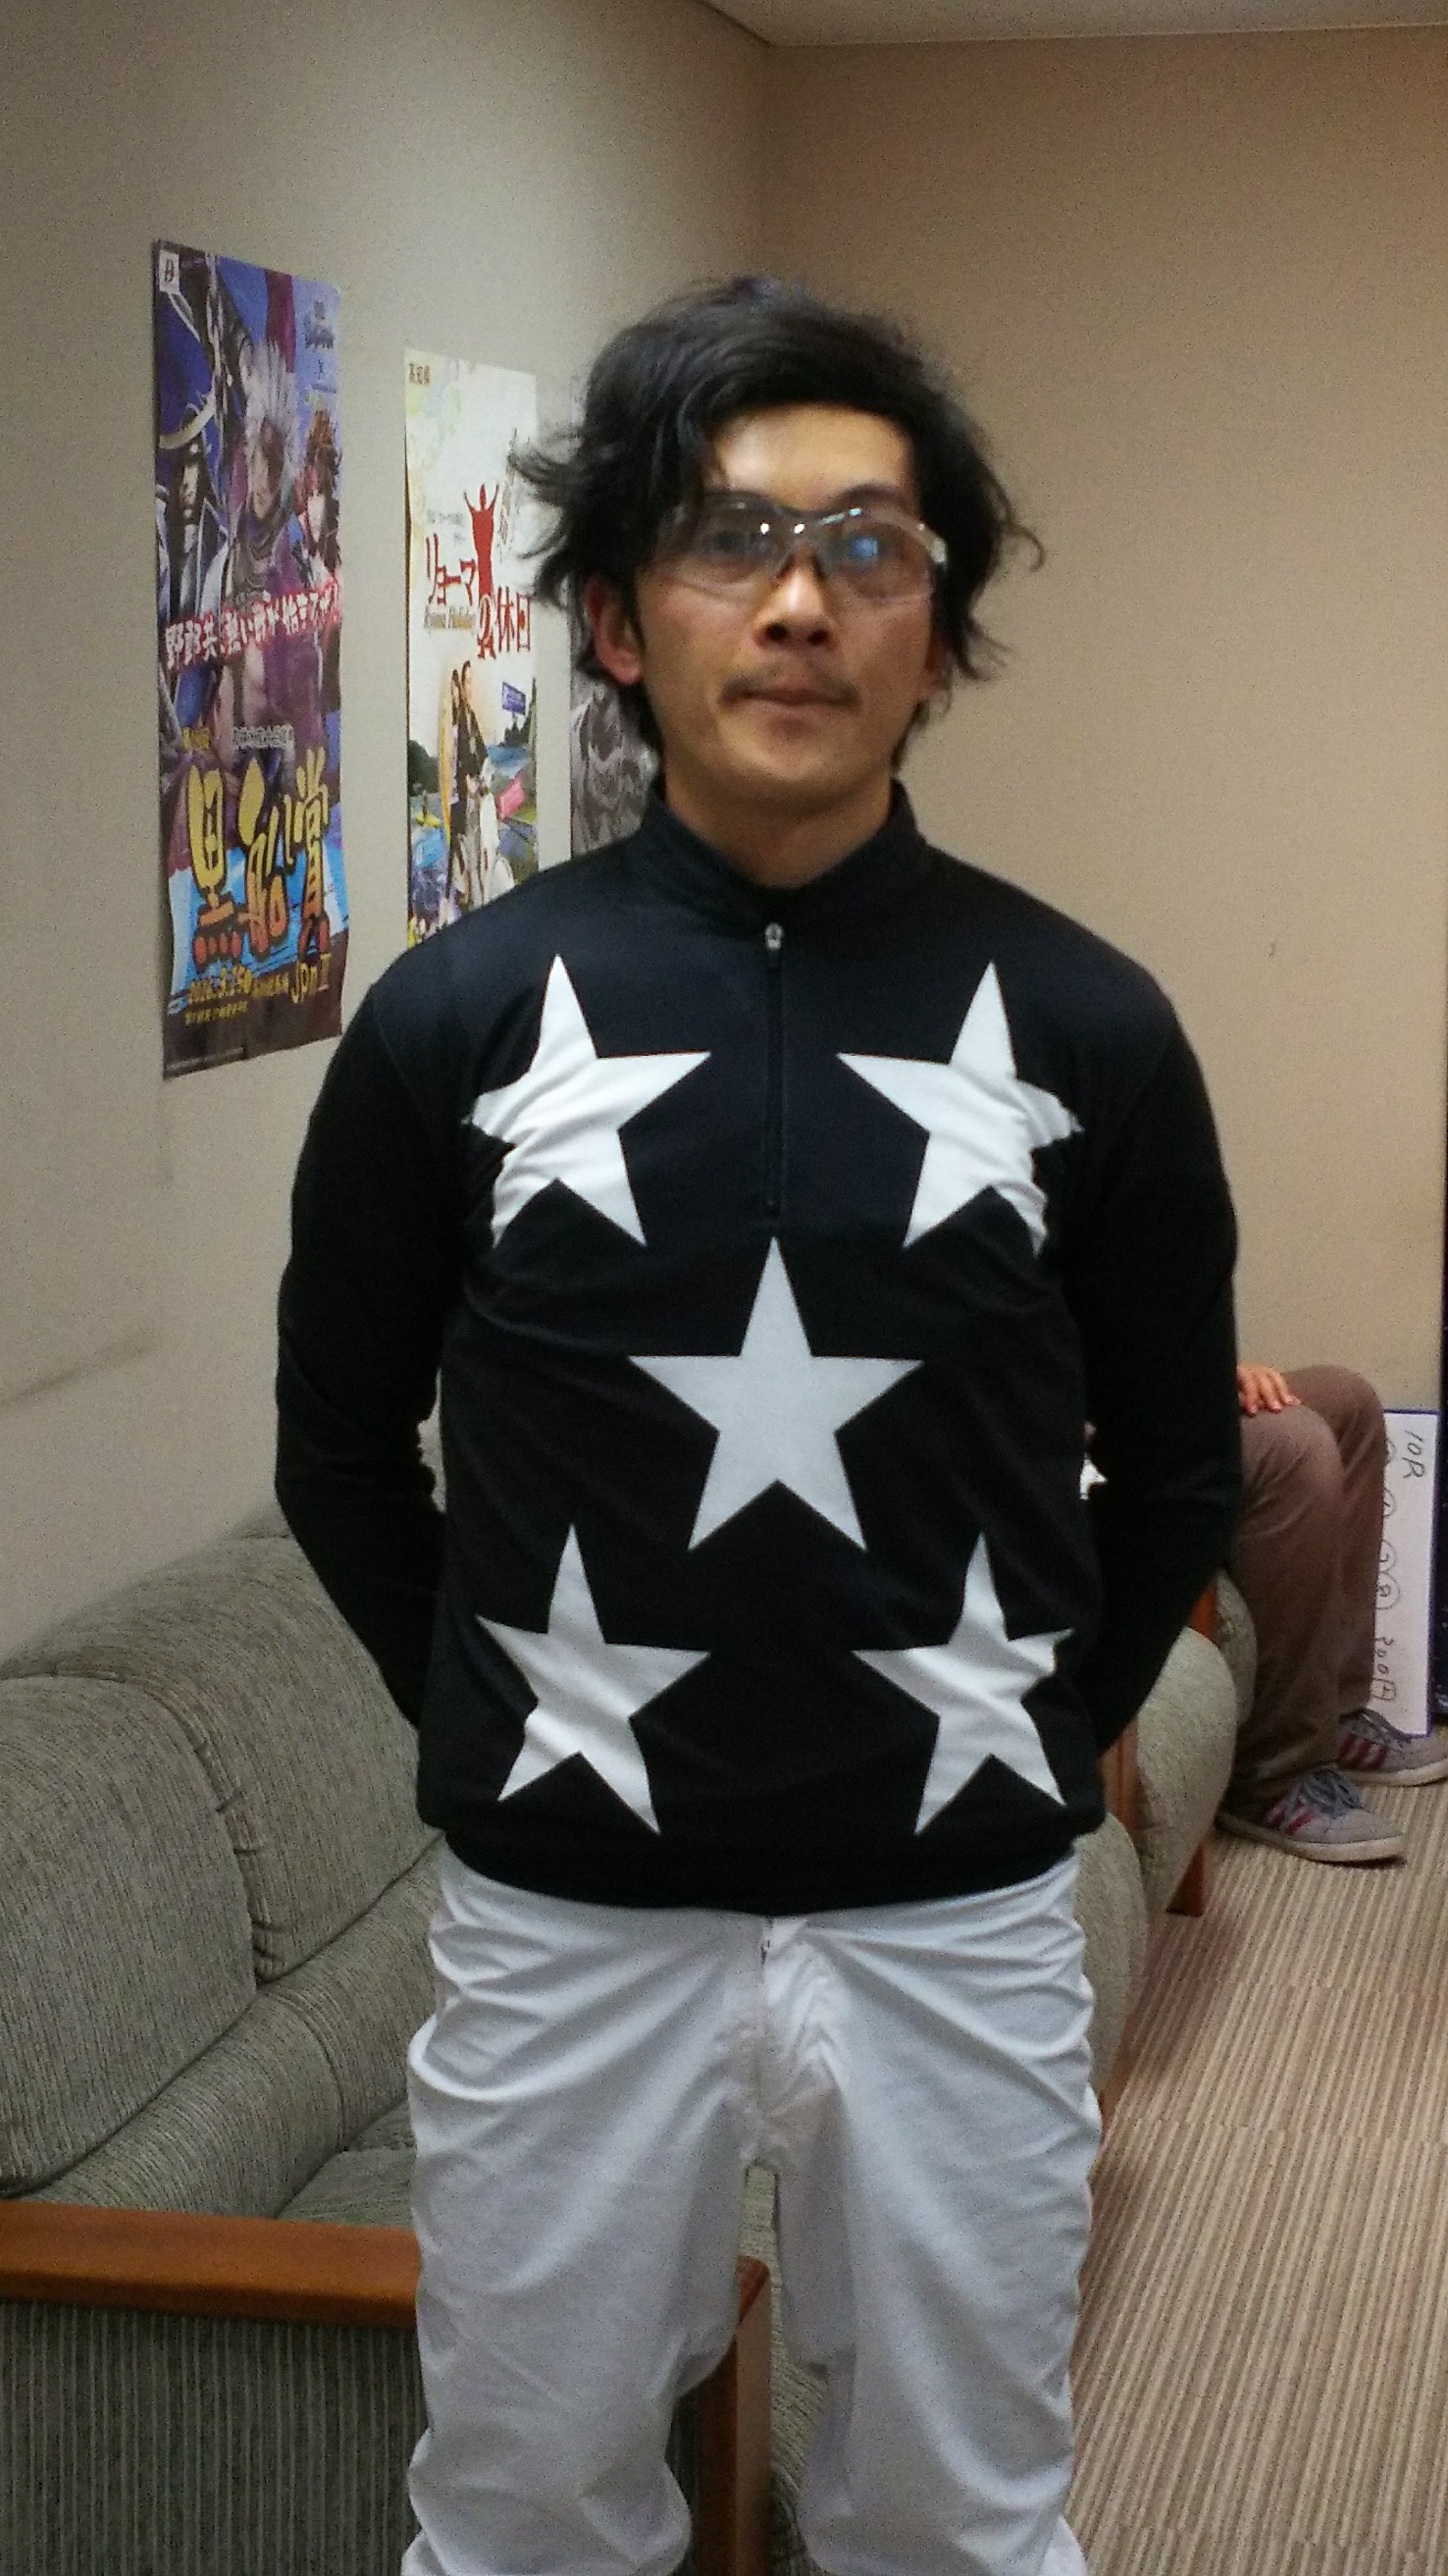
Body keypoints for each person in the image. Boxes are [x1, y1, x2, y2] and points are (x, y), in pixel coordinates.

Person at [276, 278, 1241, 2576]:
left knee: (957, 2519)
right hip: (568, 1920)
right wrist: (515, 1721)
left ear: (938, 635)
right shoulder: (455, 1020)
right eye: (733, 539)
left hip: (955, 1917)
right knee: (521, 2516)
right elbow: (336, 1455)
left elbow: (1178, 1473)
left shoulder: (1088, 1026)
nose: (802, 601)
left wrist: (1024, 1738)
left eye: (870, 548)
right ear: (619, 618)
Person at [1216, 1362, 1448, 1865]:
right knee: (1292, 1444)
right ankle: (1271, 1777)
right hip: (1096, 1427)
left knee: (1347, 1402)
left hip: (1152, 1392)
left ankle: (1332, 1716)